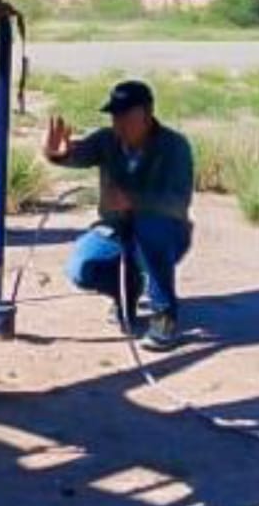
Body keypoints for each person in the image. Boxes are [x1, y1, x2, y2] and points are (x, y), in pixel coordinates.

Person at [43, 79, 194, 350]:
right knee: (81, 269)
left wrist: (133, 201)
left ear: (147, 115)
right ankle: (127, 291)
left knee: (151, 231)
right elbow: (75, 153)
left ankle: (164, 316)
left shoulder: (175, 146)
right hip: (115, 230)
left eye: (126, 115)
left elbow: (178, 202)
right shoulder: (106, 140)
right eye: (115, 116)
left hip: (165, 232)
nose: (118, 123)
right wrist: (57, 154)